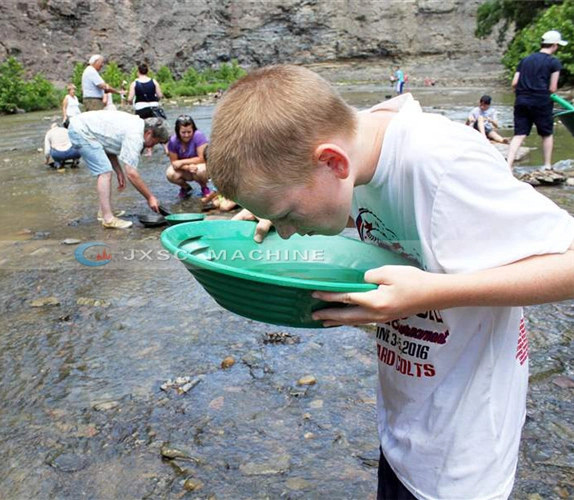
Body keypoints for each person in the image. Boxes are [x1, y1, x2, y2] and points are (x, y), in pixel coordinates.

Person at [207, 65, 574, 500]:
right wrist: (271, 204)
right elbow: (365, 206)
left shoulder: (442, 164)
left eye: (286, 215)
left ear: (332, 162)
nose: (284, 230)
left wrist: (432, 293)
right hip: (410, 423)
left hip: (463, 453)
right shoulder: (360, 143)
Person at [67, 111, 170, 229]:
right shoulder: (135, 135)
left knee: (106, 170)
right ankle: (108, 219)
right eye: (154, 142)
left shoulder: (137, 125)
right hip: (81, 131)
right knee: (104, 172)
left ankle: (103, 212)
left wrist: (118, 170)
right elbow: (131, 173)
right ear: (148, 133)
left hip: (84, 128)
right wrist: (150, 197)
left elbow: (107, 143)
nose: (152, 146)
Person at [507, 30, 568, 170]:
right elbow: (553, 88)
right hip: (541, 100)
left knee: (519, 134)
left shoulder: (525, 60)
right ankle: (547, 165)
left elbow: (514, 83)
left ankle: (508, 164)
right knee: (546, 134)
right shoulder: (554, 62)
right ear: (554, 45)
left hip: (521, 100)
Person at [166, 115, 212, 198]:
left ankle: (204, 187)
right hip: (184, 169)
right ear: (178, 132)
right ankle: (185, 187)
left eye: (189, 132)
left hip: (199, 166)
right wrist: (187, 167)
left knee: (201, 170)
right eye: (183, 132)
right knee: (170, 174)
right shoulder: (173, 141)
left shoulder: (199, 136)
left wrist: (182, 162)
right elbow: (174, 163)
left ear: (193, 130)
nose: (186, 135)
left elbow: (202, 159)